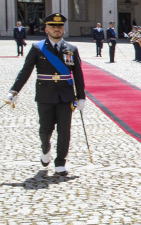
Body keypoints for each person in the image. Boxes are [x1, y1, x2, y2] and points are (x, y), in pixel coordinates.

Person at [7, 13, 86, 176]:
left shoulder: (71, 49)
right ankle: (45, 148)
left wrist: (81, 96)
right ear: (46, 29)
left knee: (64, 131)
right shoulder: (38, 48)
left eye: (59, 27)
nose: (57, 29)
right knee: (45, 130)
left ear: (63, 29)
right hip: (45, 95)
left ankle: (60, 162)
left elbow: (78, 74)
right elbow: (25, 71)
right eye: (53, 27)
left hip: (66, 96)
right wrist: (14, 91)